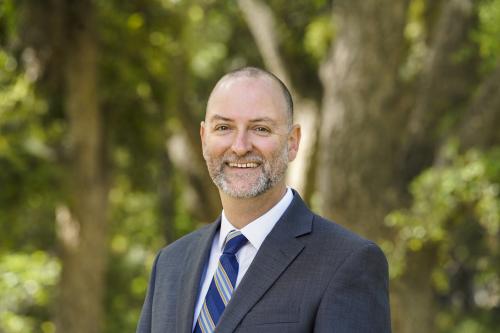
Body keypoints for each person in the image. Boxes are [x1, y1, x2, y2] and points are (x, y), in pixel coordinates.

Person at [137, 67, 391, 333]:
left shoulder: (348, 262)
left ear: (292, 142)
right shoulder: (169, 264)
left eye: (260, 129)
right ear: (203, 139)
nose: (240, 146)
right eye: (224, 127)